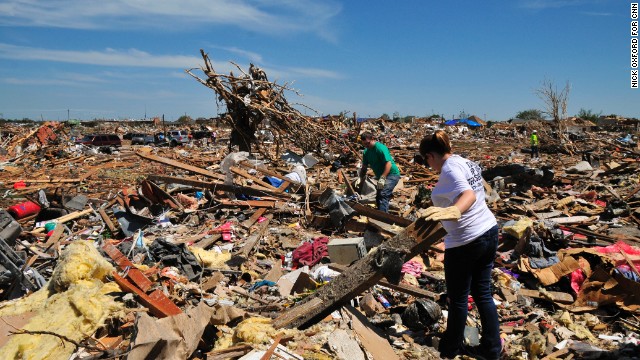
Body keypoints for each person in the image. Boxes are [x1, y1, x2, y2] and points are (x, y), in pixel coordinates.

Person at [418, 130, 501, 360]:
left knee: (458, 299)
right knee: (483, 293)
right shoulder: (464, 161)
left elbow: (468, 195)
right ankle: (492, 349)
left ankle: (449, 349)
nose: (429, 165)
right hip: (488, 231)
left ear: (431, 155)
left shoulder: (450, 168)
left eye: (427, 160)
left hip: (467, 241)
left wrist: (454, 210)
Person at [358, 132, 400, 213]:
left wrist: (383, 177)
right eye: (364, 144)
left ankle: (383, 218)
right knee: (379, 195)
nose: (366, 146)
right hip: (382, 176)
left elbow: (388, 164)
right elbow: (364, 167)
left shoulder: (380, 148)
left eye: (368, 143)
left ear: (373, 139)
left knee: (383, 193)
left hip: (392, 174)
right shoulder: (366, 152)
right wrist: (360, 178)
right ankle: (381, 213)